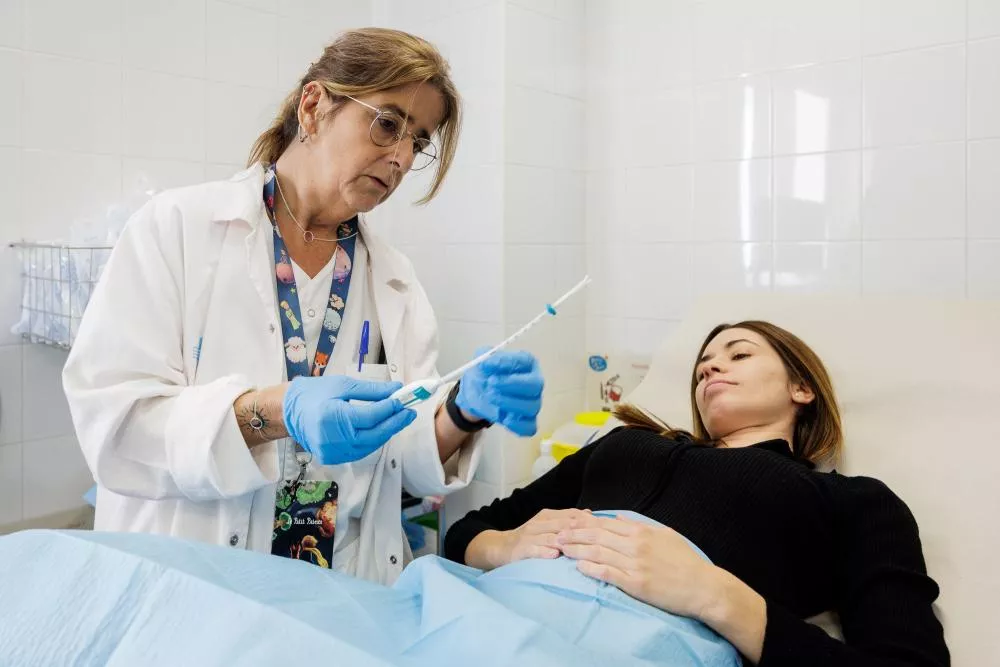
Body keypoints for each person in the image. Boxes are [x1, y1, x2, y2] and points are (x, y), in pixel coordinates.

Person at [62, 27, 544, 586]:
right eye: (388, 123)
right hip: (193, 583)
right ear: (314, 107)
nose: (402, 157)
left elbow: (404, 458)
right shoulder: (177, 232)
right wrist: (277, 409)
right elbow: (114, 427)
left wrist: (462, 412)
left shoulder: (393, 281)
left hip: (339, 589)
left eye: (419, 140)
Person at [445, 321, 950, 666]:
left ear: (802, 388)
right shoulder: (624, 445)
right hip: (477, 618)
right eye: (703, 364)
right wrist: (503, 546)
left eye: (739, 354)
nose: (709, 367)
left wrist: (714, 594)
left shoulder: (851, 499)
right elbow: (466, 531)